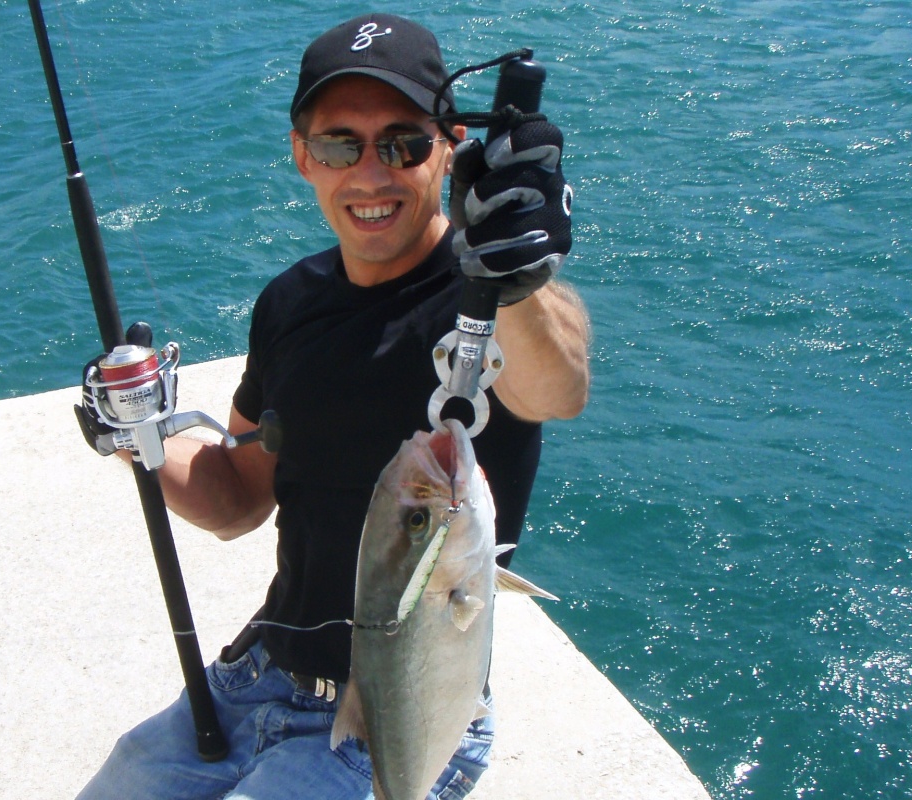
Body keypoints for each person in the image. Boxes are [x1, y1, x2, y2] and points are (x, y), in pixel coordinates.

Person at [75, 12, 591, 800]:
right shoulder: (290, 302)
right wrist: (134, 434)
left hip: (403, 707)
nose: (371, 174)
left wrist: (517, 275)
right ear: (302, 157)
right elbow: (237, 497)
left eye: (403, 144)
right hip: (254, 678)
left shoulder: (486, 306)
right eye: (338, 145)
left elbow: (560, 385)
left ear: (449, 144)